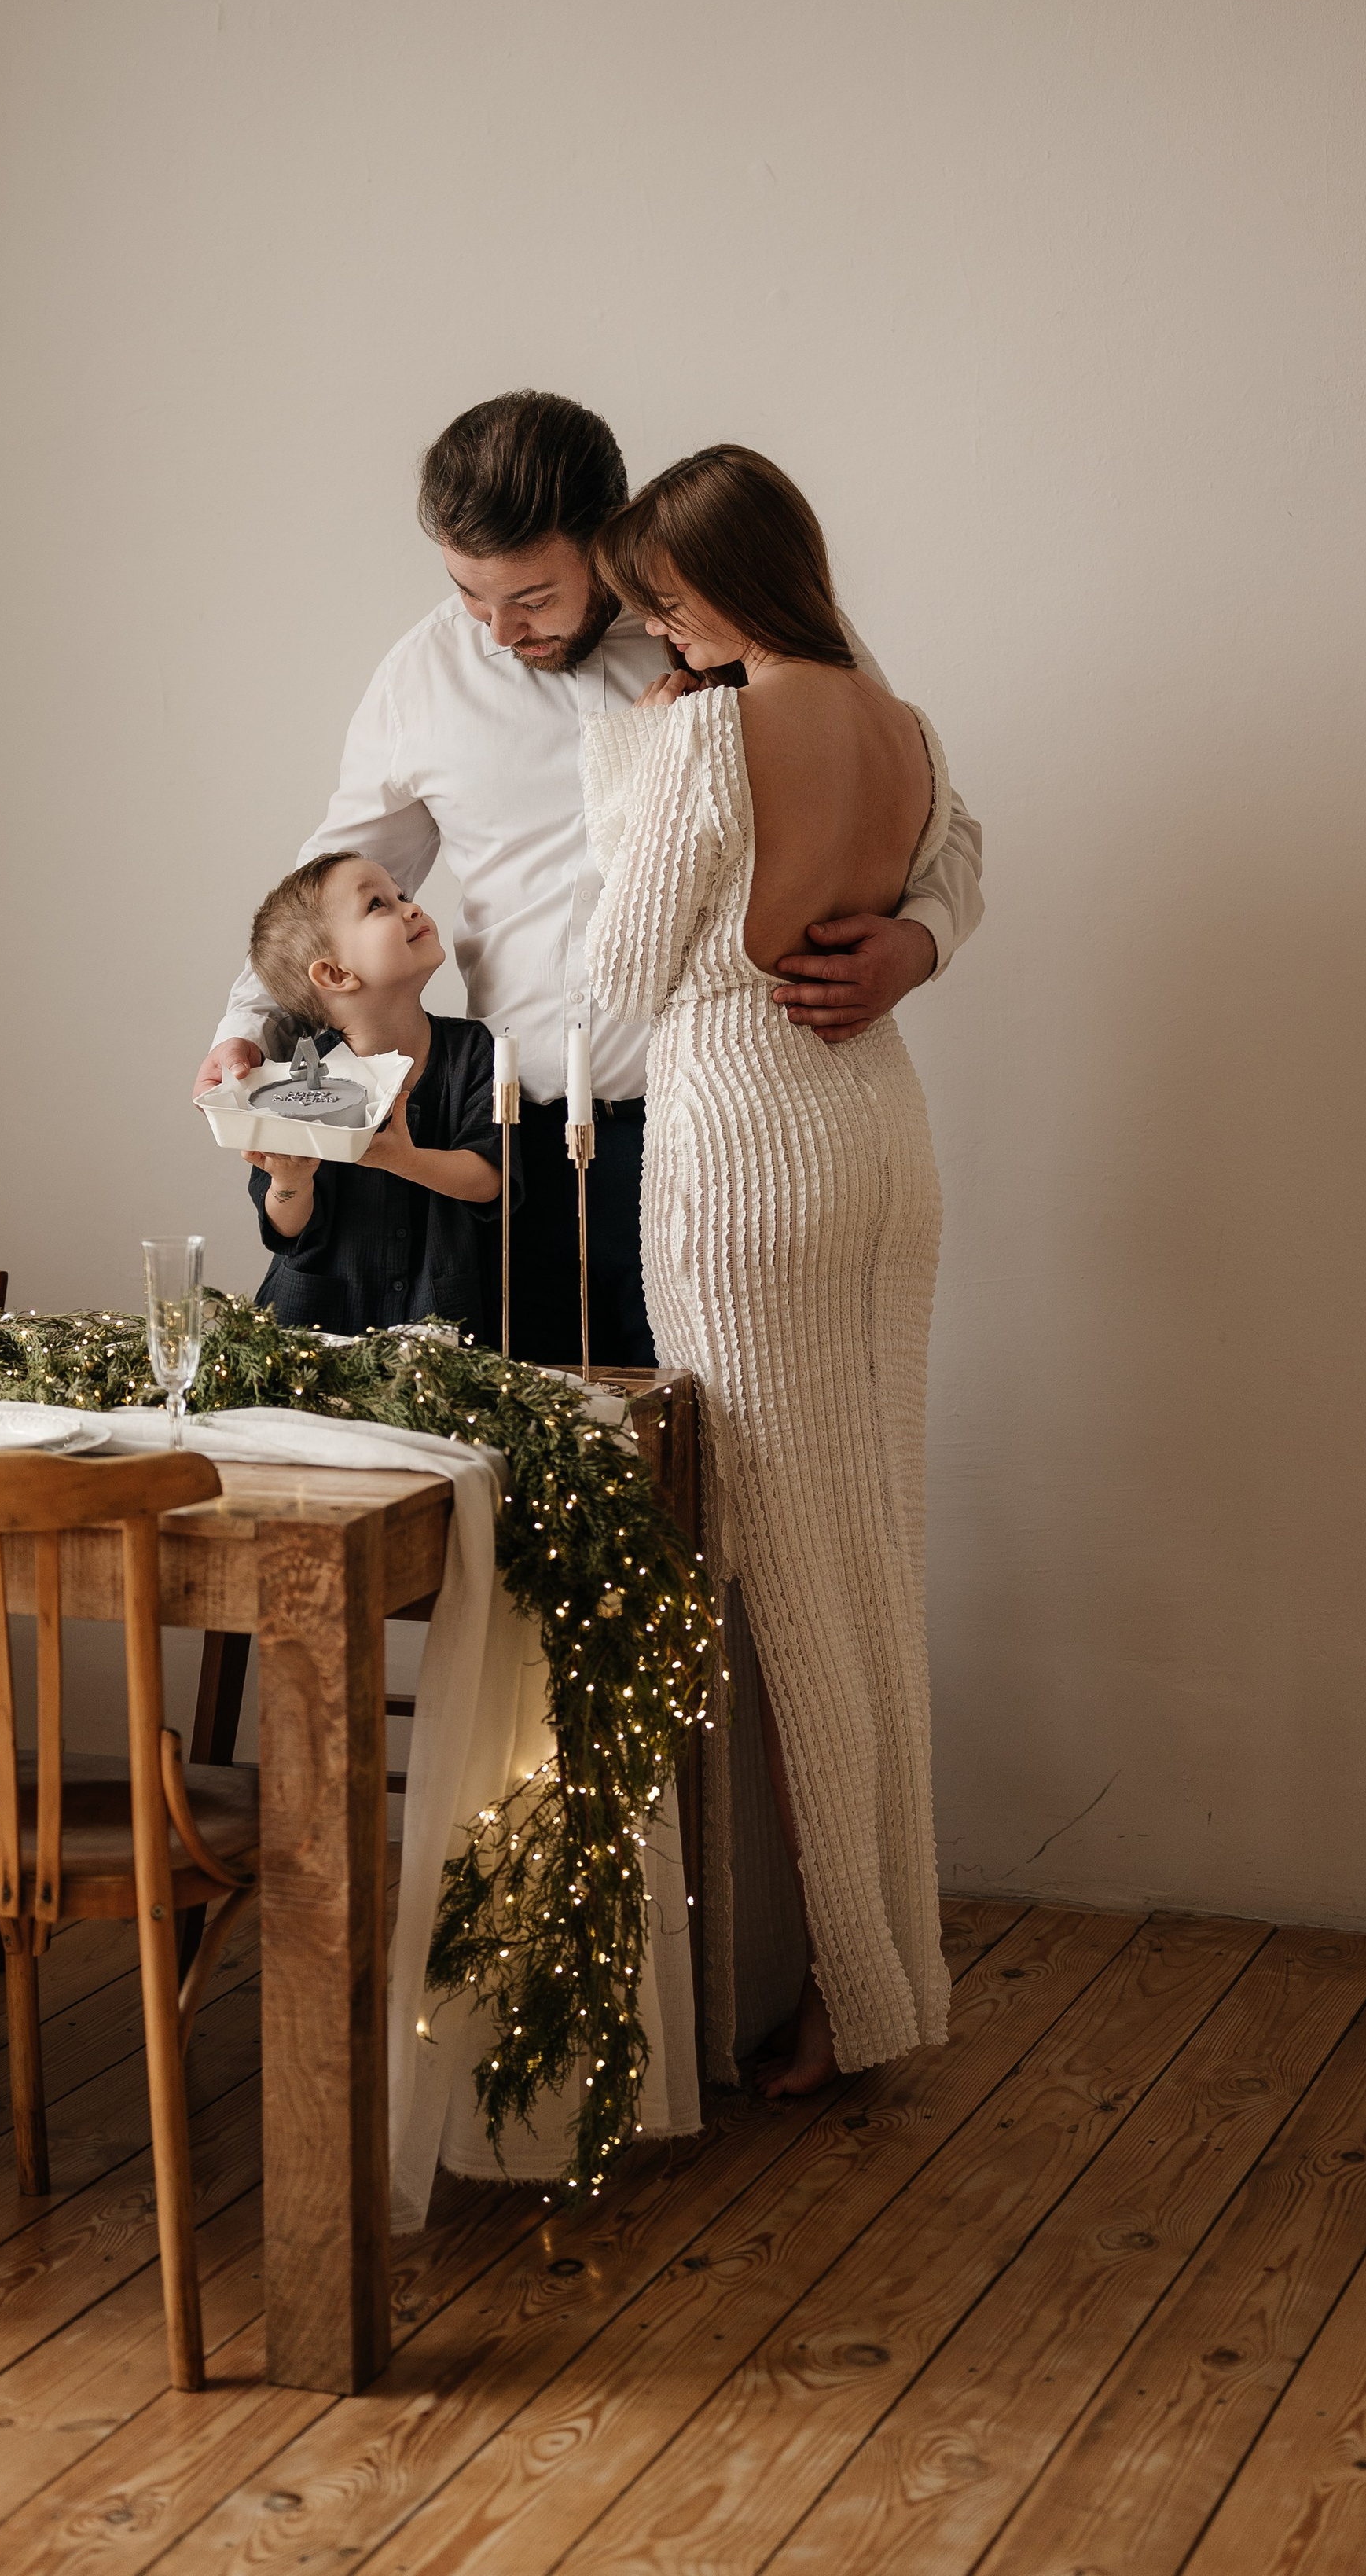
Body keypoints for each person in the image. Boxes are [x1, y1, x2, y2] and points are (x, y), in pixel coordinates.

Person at [197, 389, 984, 1364]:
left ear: (608, 537)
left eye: (529, 597)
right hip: (505, 1151)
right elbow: (327, 886)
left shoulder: (735, 623)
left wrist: (921, 940)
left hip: (722, 1134)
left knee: (711, 1463)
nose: (495, 631)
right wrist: (242, 1029)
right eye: (468, 594)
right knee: (539, 1472)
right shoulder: (422, 675)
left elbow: (924, 805)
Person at [582, 445, 960, 2099]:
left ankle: (853, 2004)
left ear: (712, 581)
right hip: (880, 1136)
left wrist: (631, 781)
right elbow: (930, 889)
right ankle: (904, 1974)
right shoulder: (898, 725)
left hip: (745, 1149)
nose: (653, 622)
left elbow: (614, 978)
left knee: (794, 1591)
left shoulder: (706, 731)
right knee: (873, 1560)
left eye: (658, 593)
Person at [237, 852, 516, 1342]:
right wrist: (291, 1179)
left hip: (442, 1327)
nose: (411, 908)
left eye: (403, 896)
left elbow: (492, 1179)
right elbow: (284, 1227)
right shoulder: (298, 1080)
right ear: (336, 975)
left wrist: (401, 1159)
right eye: (377, 905)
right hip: (313, 1333)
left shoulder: (474, 1051)